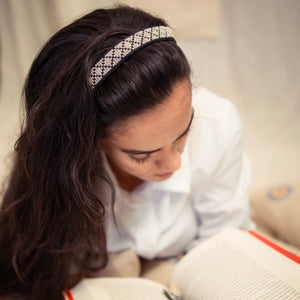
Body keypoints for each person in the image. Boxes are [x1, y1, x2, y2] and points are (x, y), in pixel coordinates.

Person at [0, 5, 253, 300]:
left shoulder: (218, 123)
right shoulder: (62, 170)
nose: (174, 162)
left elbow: (225, 238)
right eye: (141, 155)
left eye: (184, 132)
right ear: (92, 142)